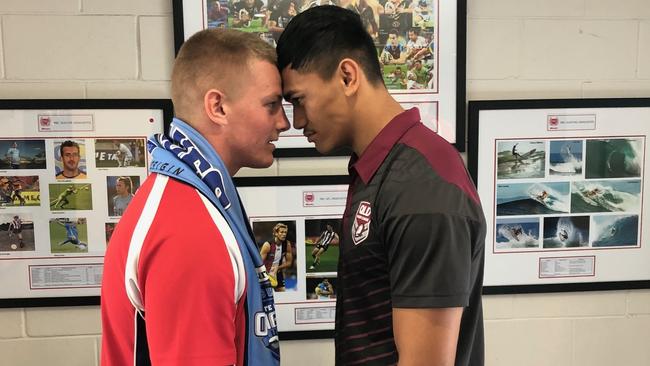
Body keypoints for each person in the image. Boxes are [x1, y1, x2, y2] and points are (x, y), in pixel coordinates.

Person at [277, 6, 485, 365]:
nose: (297, 122)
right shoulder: (383, 170)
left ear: (347, 76)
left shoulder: (423, 188)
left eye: (299, 100)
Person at [101, 28, 289, 366]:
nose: (284, 122)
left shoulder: (186, 197)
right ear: (217, 106)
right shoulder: (189, 228)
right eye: (271, 105)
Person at [259, 223, 294, 292]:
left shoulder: (287, 244)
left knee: (282, 295)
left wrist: (278, 268)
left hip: (278, 272)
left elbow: (289, 263)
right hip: (265, 273)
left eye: (285, 232)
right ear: (276, 233)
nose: (284, 234)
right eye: (281, 232)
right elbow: (259, 263)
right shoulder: (267, 245)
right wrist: (266, 273)